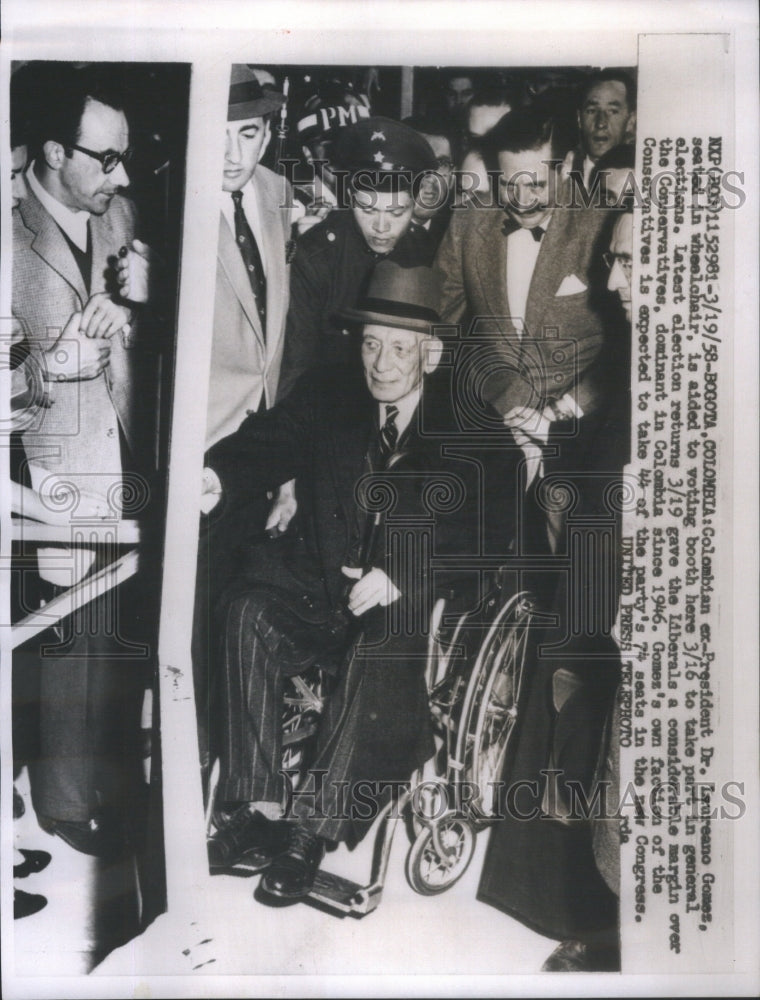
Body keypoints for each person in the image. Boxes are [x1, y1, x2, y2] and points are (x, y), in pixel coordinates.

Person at [202, 263, 512, 901]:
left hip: (399, 612)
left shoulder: (473, 424)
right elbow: (267, 440)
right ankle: (257, 810)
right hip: (318, 592)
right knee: (244, 609)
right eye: (372, 343)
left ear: (431, 352)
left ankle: (308, 831)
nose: (383, 363)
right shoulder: (331, 392)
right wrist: (218, 477)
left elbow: (492, 530)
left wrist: (402, 574)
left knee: (380, 639)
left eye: (401, 348)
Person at [477, 206, 633, 973]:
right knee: (572, 709)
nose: (614, 280)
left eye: (633, 264)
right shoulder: (639, 342)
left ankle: (610, 928)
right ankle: (573, 906)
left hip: (641, 572)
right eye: (613, 261)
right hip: (595, 549)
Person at [12, 65, 155, 858]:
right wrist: (53, 366)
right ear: (53, 151)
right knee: (68, 627)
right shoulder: (6, 224)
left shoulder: (122, 210)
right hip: (48, 461)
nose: (121, 175)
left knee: (114, 622)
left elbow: (139, 324)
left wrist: (140, 300)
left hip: (129, 445)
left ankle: (98, 775)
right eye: (105, 159)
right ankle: (64, 801)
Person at [192, 65, 295, 773]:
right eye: (219, 135)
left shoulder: (276, 195)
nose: (232, 154)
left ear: (269, 133)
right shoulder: (176, 202)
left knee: (242, 611)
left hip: (262, 445)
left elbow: (275, 341)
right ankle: (196, 770)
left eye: (249, 134)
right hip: (202, 450)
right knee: (197, 623)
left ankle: (235, 779)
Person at [276, 115, 438, 401]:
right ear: (350, 196)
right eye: (367, 209)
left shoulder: (427, 252)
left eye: (397, 212)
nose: (381, 226)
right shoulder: (315, 256)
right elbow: (295, 369)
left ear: (416, 203)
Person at [571, 69, 636, 192]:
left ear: (630, 121)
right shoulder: (560, 174)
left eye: (612, 111)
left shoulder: (643, 173)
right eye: (591, 111)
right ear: (579, 119)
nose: (601, 123)